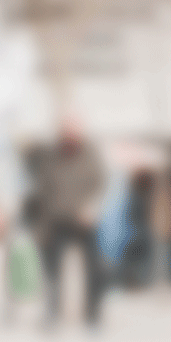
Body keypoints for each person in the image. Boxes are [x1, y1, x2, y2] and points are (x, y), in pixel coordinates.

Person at [34, 116, 107, 327]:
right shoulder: (52, 156)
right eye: (64, 132)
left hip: (84, 220)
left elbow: (100, 183)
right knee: (52, 269)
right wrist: (42, 225)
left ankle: (93, 314)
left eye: (72, 132)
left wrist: (91, 206)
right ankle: (52, 313)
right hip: (57, 219)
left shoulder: (90, 154)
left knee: (94, 268)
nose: (68, 136)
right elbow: (44, 191)